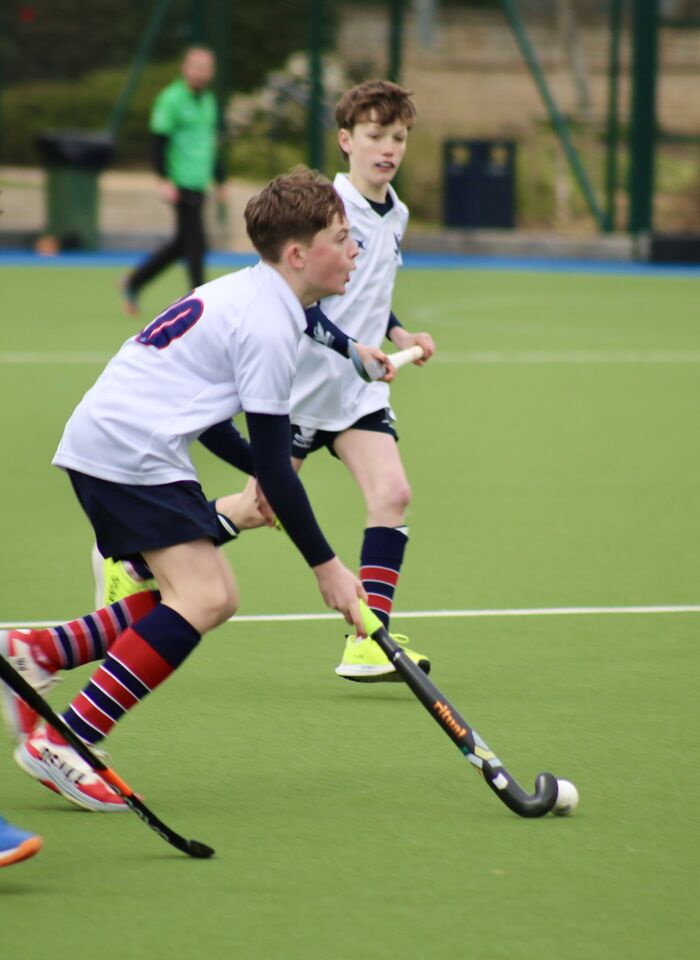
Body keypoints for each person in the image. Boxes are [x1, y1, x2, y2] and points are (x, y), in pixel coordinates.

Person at [0, 167, 380, 813]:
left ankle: (36, 653)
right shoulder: (269, 325)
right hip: (128, 450)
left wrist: (260, 473)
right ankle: (65, 741)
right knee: (204, 595)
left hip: (121, 441)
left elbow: (210, 418)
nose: (354, 251)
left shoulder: (253, 294)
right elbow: (275, 464)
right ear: (298, 254)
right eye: (342, 239)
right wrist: (330, 568)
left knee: (203, 595)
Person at [102, 80, 435, 683]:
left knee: (392, 494)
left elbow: (370, 291)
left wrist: (399, 332)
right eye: (375, 136)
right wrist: (350, 348)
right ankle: (137, 563)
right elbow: (302, 304)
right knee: (260, 506)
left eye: (399, 137)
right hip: (300, 391)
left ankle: (367, 641)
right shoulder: (328, 210)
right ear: (346, 140)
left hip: (356, 393)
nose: (388, 148)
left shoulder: (397, 213)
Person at [121, 46, 227, 315]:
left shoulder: (209, 101)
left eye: (206, 68)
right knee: (196, 245)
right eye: (196, 67)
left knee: (182, 244)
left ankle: (134, 282)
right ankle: (203, 303)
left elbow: (210, 144)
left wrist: (220, 180)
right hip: (180, 183)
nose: (201, 73)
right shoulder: (171, 99)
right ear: (185, 68)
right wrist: (164, 180)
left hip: (199, 182)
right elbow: (158, 142)